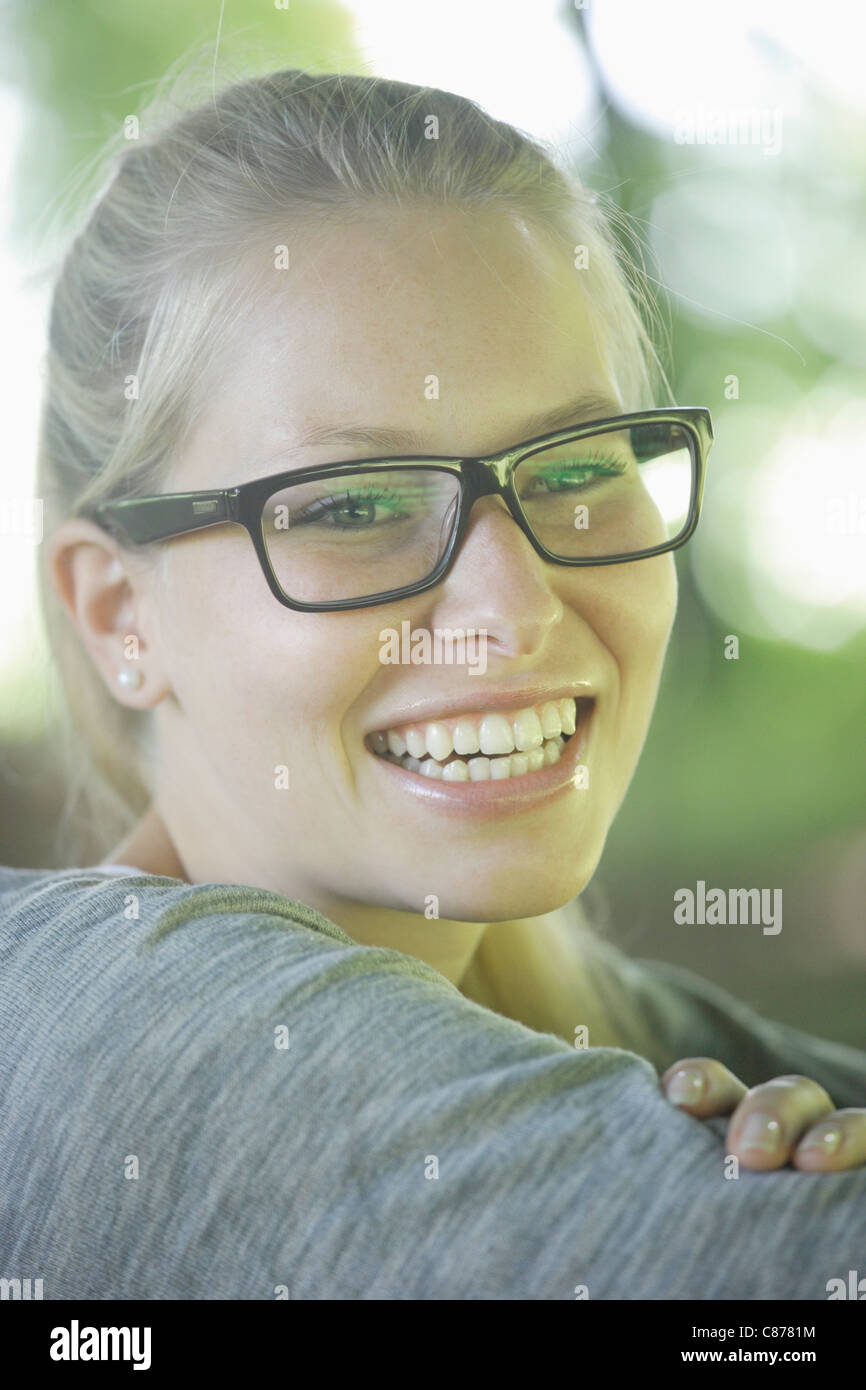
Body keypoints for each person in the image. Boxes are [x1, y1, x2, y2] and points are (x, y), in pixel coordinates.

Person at [1, 67, 864, 1301]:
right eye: (353, 505)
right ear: (117, 611)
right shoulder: (102, 1043)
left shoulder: (602, 1023)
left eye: (574, 468)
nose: (513, 611)